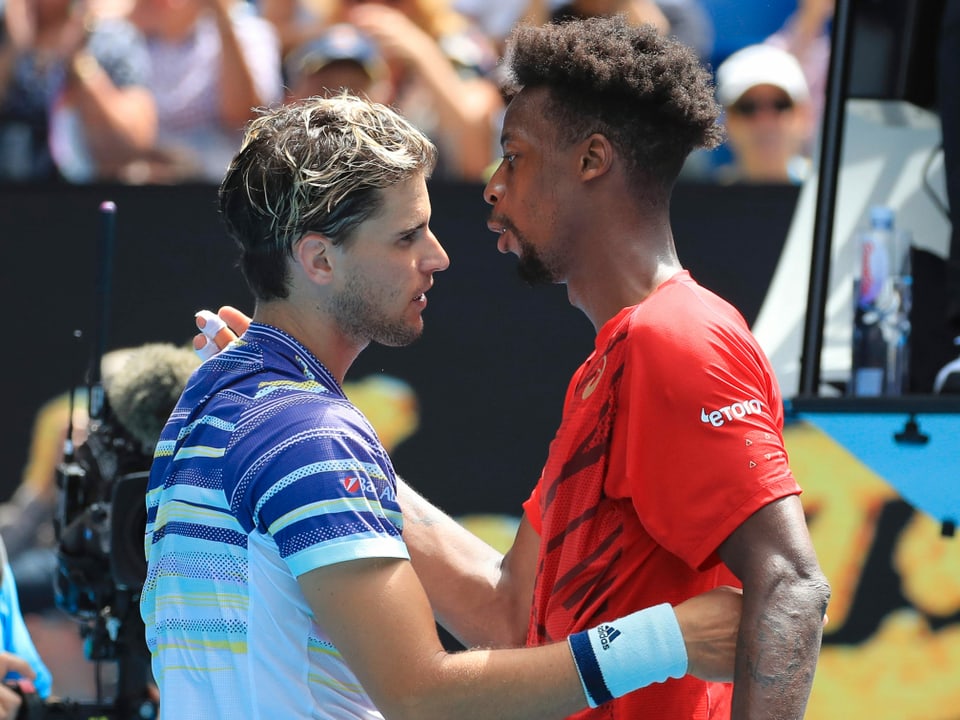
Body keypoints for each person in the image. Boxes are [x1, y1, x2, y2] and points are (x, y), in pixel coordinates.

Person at [193, 15, 830, 719]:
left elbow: (792, 586)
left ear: (591, 161)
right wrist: (307, 421)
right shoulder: (613, 362)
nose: (493, 187)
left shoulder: (680, 336)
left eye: (516, 156)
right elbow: (507, 616)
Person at [124, 0, 282, 183]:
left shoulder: (250, 32)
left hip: (219, 185)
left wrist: (223, 20)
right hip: (142, 186)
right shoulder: (126, 36)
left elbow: (243, 115)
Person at [0, 0, 156, 182]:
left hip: (84, 196)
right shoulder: (6, 31)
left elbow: (133, 144)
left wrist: (79, 62)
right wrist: (13, 50)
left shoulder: (111, 39)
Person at [713, 42, 815, 184]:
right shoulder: (697, 202)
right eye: (748, 107)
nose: (765, 120)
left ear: (804, 116)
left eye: (780, 104)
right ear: (727, 122)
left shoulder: (837, 193)